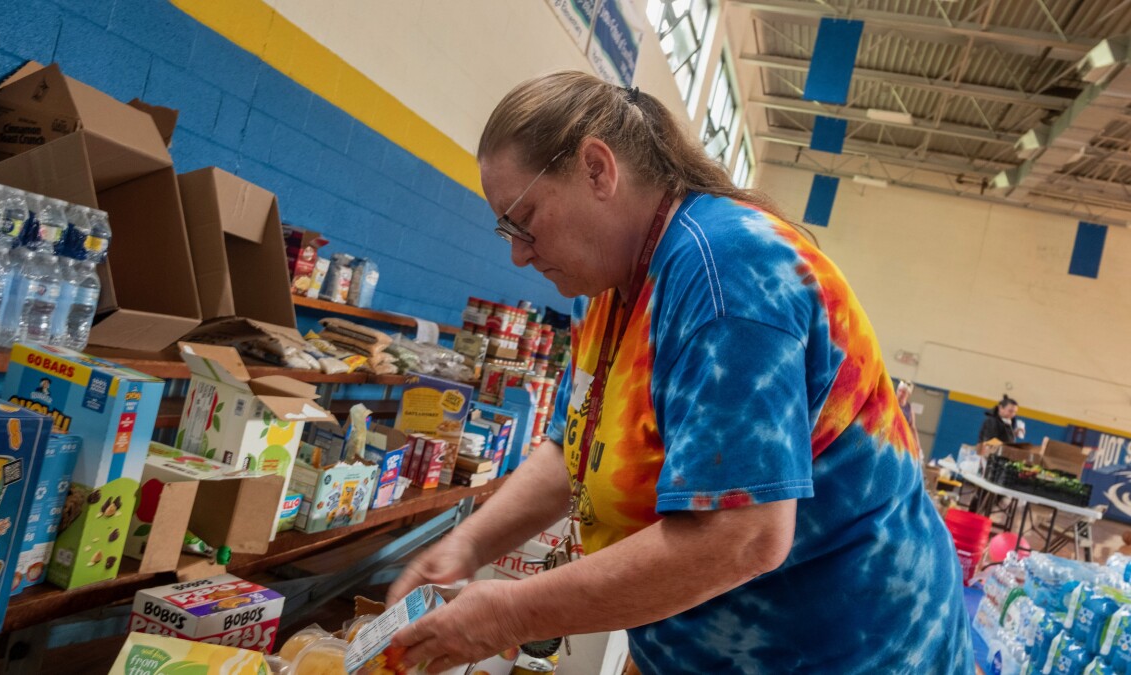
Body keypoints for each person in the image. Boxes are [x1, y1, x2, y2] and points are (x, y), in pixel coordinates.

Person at [387, 72, 972, 674]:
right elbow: (574, 446)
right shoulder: (611, 286)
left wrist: (511, 614)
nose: (518, 251)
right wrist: (470, 543)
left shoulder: (728, 276)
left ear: (597, 170)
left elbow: (741, 536)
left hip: (841, 650)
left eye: (524, 218)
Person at [896, 380, 923, 459]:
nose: (901, 393)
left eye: (904, 392)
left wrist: (918, 445)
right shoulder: (891, 403)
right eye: (899, 391)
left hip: (901, 441)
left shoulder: (910, 409)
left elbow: (913, 427)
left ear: (908, 394)